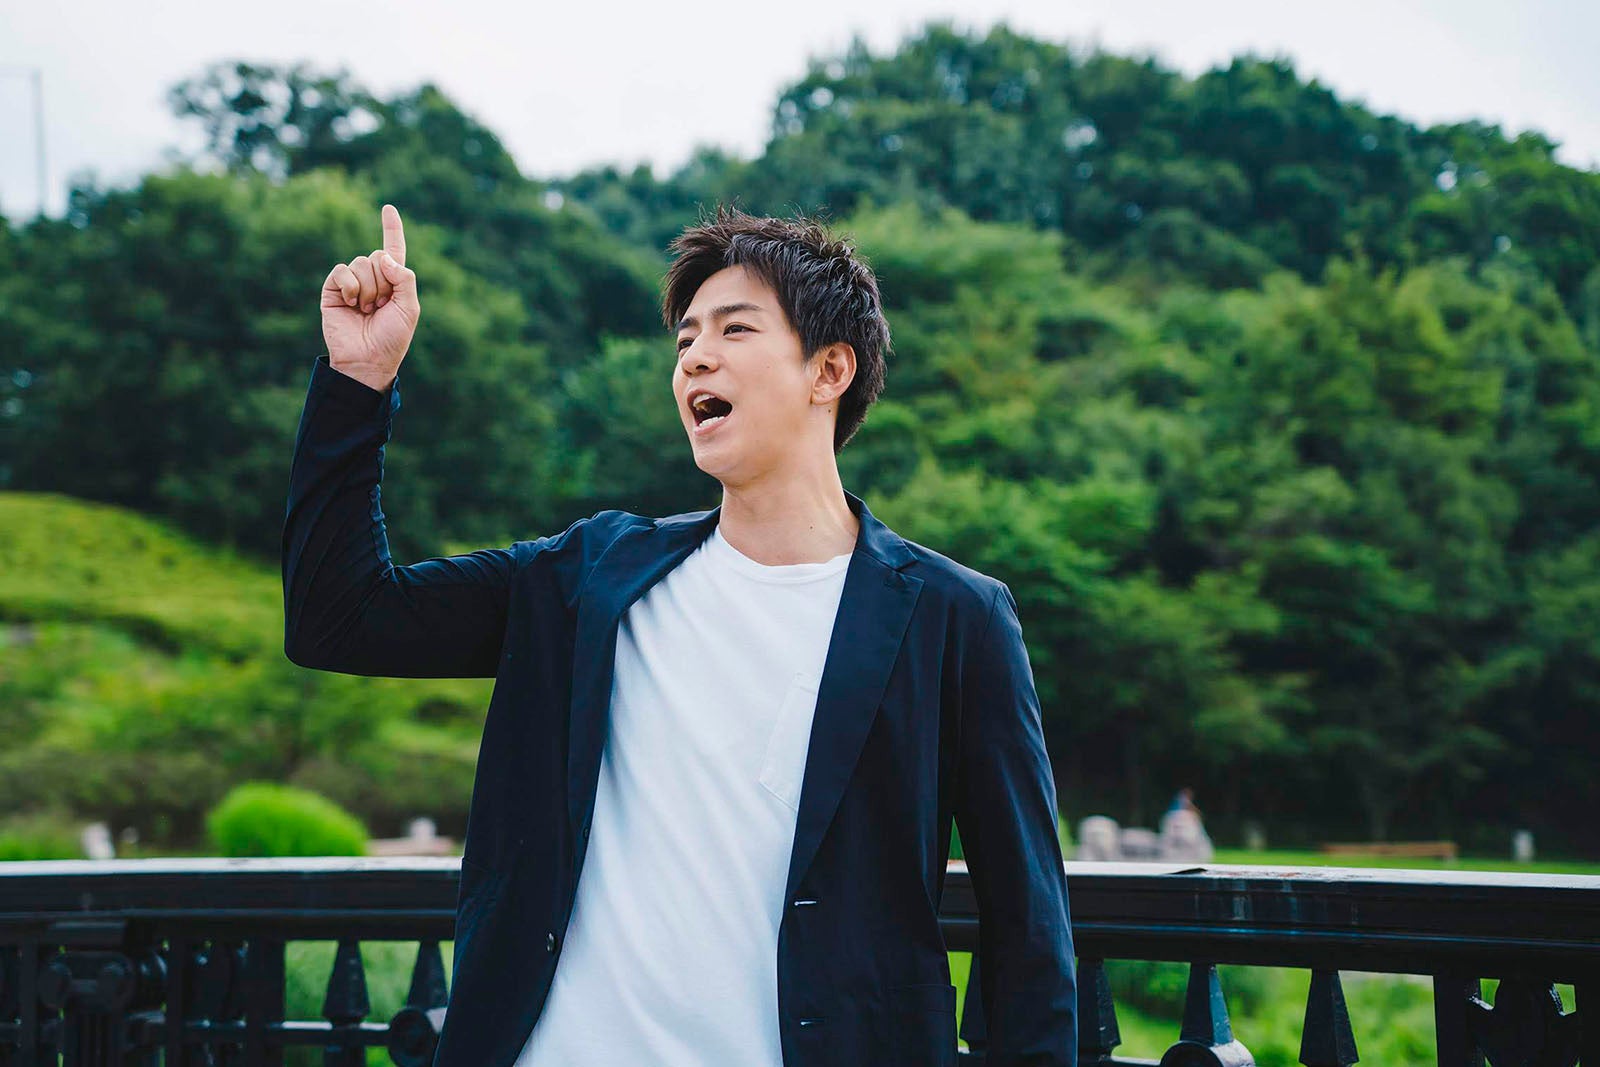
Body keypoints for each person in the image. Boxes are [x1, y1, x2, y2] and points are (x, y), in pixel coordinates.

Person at [283, 203, 1077, 1067]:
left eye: (736, 329)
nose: (695, 356)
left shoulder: (954, 618)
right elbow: (340, 618)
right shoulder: (590, 576)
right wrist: (358, 383)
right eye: (686, 339)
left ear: (829, 369)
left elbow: (1026, 931)